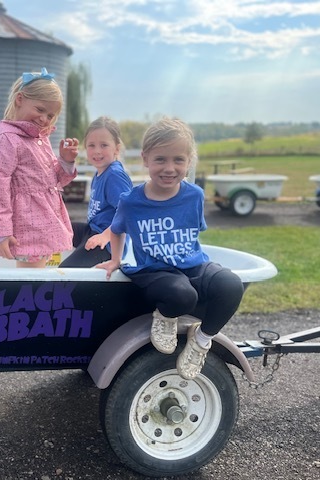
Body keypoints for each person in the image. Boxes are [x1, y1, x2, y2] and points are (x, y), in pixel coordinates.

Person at [96, 117, 244, 380]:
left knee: (231, 285)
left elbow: (192, 235)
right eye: (160, 159)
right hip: (154, 269)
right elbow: (117, 230)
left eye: (178, 160)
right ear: (145, 159)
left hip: (192, 263)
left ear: (189, 161)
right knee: (183, 296)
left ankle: (200, 341)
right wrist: (115, 260)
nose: (169, 168)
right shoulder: (131, 201)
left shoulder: (194, 195)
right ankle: (165, 316)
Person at [0, 67, 80, 268]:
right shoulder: (9, 139)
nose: (44, 119)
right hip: (27, 226)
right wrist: (1, 231)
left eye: (50, 115)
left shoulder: (40, 137)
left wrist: (65, 161)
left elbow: (54, 182)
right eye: (40, 110)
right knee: (30, 280)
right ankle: (29, 300)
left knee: (40, 278)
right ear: (20, 99)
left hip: (46, 222)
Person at [59, 116, 133, 267]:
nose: (97, 151)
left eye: (104, 145)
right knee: (55, 230)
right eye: (91, 145)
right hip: (92, 230)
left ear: (116, 149)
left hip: (108, 243)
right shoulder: (100, 172)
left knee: (65, 273)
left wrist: (106, 236)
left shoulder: (114, 175)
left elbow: (130, 212)